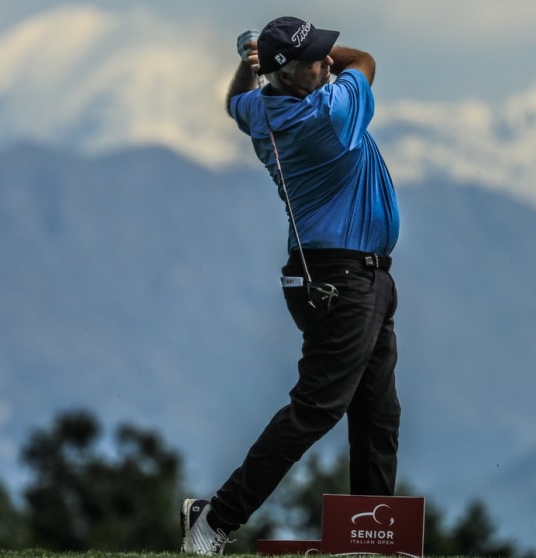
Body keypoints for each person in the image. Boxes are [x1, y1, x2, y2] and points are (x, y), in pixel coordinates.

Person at [180, 16, 402, 556]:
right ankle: (214, 519)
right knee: (317, 408)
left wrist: (249, 61)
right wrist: (272, 56)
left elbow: (236, 102)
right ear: (284, 72)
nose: (327, 63)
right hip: (345, 281)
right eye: (314, 60)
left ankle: (368, 540)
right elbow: (364, 60)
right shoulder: (328, 116)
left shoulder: (264, 107)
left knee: (377, 411)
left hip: (340, 276)